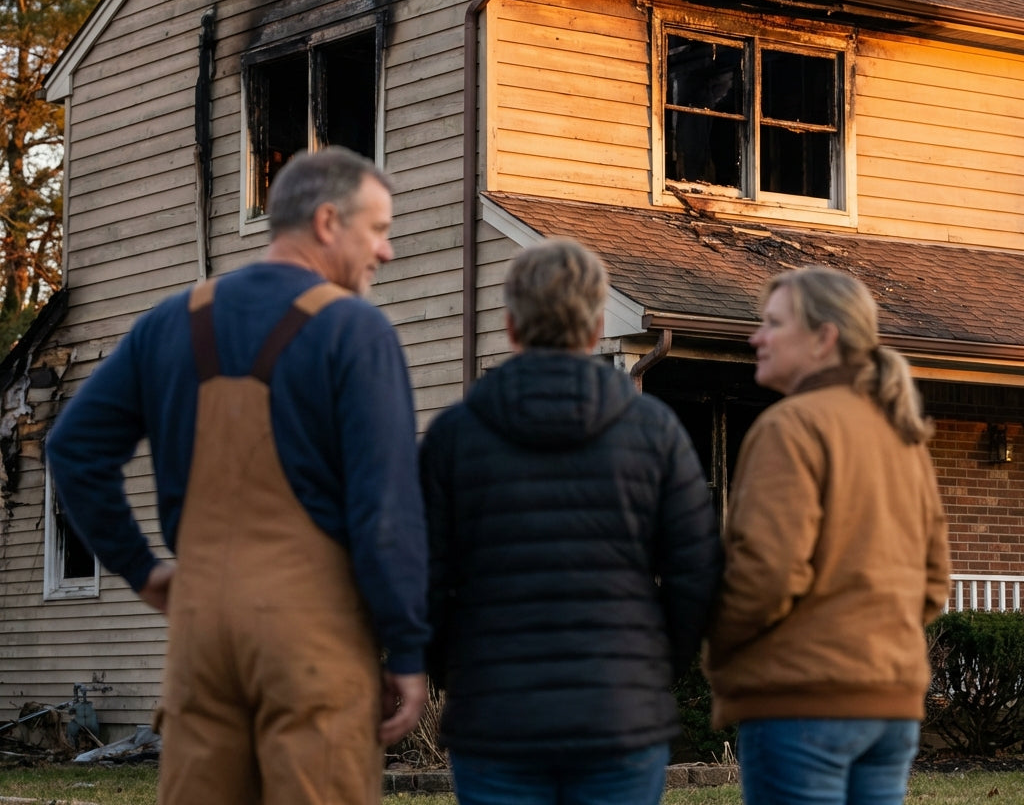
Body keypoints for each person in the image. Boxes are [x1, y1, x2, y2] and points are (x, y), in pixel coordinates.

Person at [47, 147, 429, 805]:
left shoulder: (169, 323)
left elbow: (72, 447)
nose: (386, 252)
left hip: (199, 631)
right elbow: (385, 514)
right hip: (313, 634)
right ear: (329, 221)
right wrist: (406, 648)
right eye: (380, 230)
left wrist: (142, 569)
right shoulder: (354, 331)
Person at [419, 237, 722, 805]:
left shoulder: (454, 437)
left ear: (511, 325)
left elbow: (423, 579)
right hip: (621, 715)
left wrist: (450, 668)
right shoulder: (655, 432)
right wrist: (655, 667)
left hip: (494, 712)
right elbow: (697, 574)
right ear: (596, 326)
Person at [704, 266, 950, 805]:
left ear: (824, 338)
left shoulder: (790, 427)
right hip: (890, 702)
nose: (755, 338)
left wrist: (716, 644)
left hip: (802, 700)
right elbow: (933, 585)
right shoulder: (902, 435)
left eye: (772, 323)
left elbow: (766, 574)